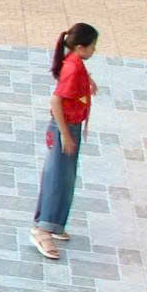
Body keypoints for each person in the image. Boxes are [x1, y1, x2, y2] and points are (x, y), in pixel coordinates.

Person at [33, 22, 99, 260]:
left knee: (66, 177)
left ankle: (55, 223)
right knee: (57, 178)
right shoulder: (72, 68)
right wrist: (65, 135)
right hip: (65, 128)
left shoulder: (75, 62)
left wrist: (88, 81)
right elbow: (55, 101)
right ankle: (43, 230)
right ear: (81, 47)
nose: (94, 51)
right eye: (92, 47)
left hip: (72, 127)